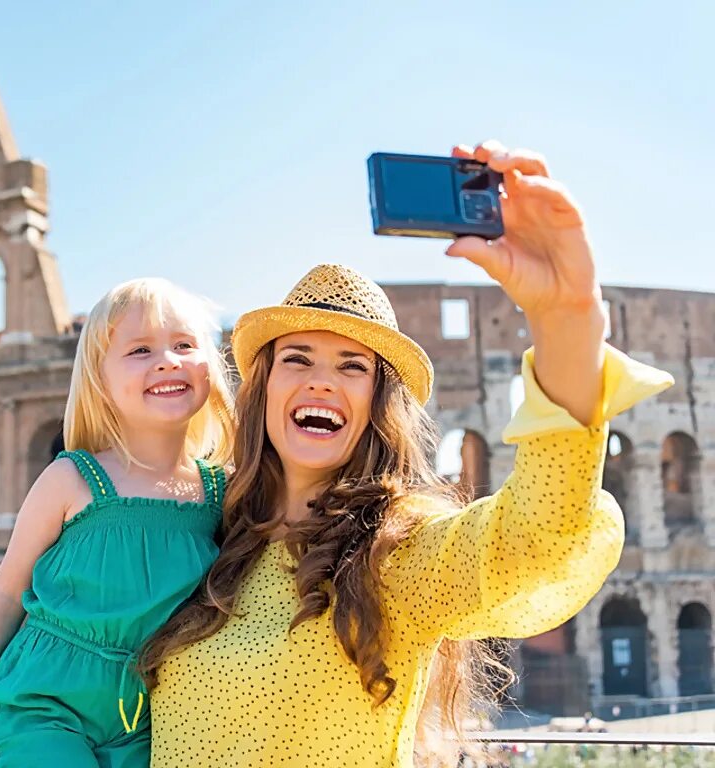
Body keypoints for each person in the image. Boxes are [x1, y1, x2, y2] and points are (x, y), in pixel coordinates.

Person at [140, 140, 674, 767]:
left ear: (375, 404)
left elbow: (538, 535)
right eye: (297, 359)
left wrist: (567, 316)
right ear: (262, 391)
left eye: (351, 366)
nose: (321, 381)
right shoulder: (206, 533)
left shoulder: (392, 555)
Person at [0, 278, 236, 768]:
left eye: (184, 345)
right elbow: (4, 593)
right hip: (44, 705)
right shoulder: (71, 479)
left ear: (210, 367)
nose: (167, 359)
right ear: (100, 380)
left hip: (151, 716)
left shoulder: (223, 493)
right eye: (140, 349)